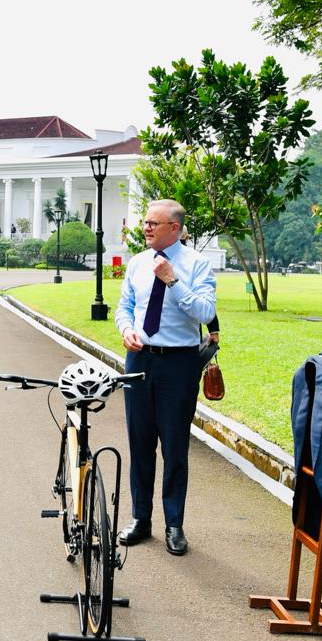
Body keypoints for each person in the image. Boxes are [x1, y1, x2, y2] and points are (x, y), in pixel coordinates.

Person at [115, 199, 216, 556]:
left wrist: (172, 281)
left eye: (153, 223)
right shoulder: (137, 263)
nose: (146, 228)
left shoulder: (197, 265)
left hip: (179, 364)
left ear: (174, 228)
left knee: (174, 447)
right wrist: (126, 328)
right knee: (139, 443)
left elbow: (206, 311)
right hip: (140, 359)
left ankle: (175, 524)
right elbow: (125, 306)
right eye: (145, 222)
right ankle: (140, 519)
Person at [180, 226, 221, 346]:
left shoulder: (194, 261)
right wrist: (213, 330)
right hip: (189, 332)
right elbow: (205, 299)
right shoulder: (195, 262)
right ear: (186, 239)